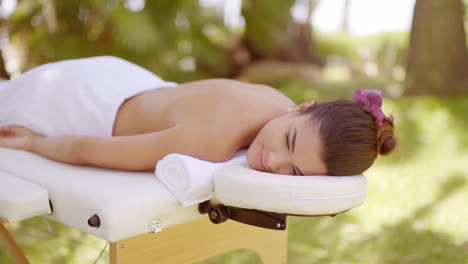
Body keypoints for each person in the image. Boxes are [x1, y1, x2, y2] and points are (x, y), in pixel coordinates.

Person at [0, 56, 396, 176]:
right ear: (303, 107)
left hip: (128, 76)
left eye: (293, 172)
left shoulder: (276, 101)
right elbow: (90, 148)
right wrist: (34, 142)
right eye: (288, 142)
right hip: (82, 100)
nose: (272, 161)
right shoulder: (208, 142)